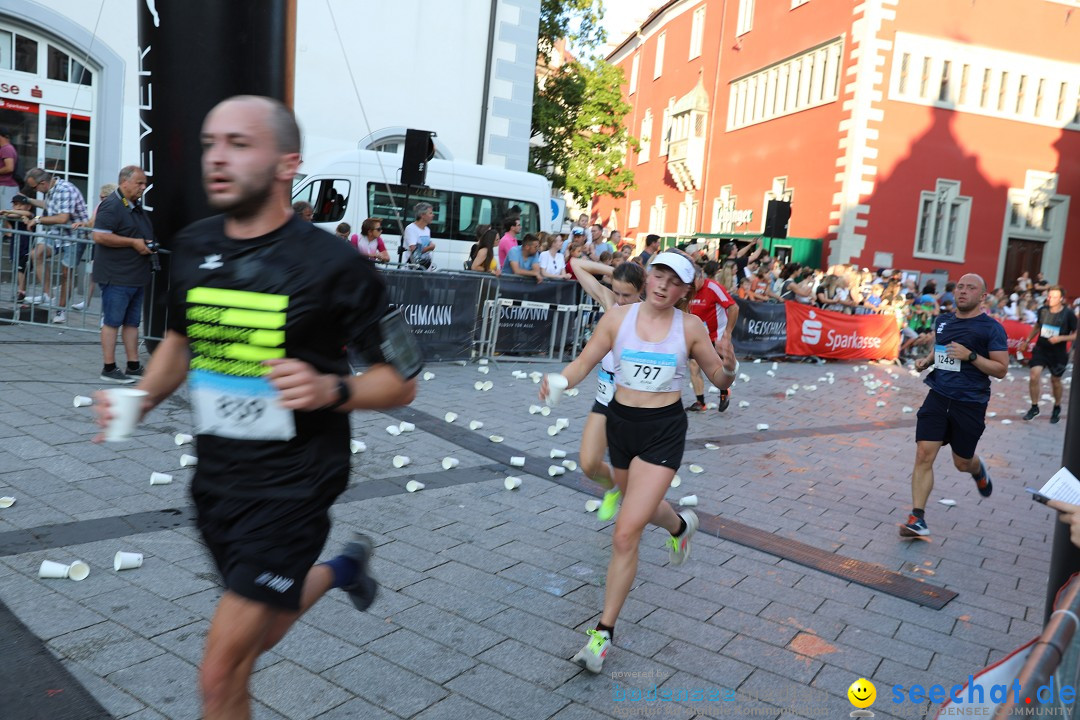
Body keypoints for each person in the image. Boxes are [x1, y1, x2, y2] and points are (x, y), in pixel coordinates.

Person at [95, 95, 416, 719]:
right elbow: (183, 342)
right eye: (212, 143)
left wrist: (333, 389)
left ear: (285, 163)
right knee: (259, 638)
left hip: (294, 489)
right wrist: (140, 398)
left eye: (239, 144)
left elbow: (402, 381)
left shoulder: (336, 267)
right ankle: (343, 569)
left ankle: (330, 565)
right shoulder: (192, 246)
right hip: (217, 485)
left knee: (218, 672)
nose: (217, 157)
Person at [540, 250, 737, 673]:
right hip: (621, 425)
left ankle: (602, 634)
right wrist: (560, 380)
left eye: (675, 281)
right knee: (637, 506)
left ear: (685, 290)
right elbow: (584, 363)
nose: (664, 285)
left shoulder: (690, 327)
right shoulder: (617, 320)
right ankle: (680, 526)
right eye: (659, 275)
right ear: (649, 278)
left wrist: (730, 368)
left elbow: (718, 378)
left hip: (663, 431)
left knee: (625, 532)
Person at [900, 274, 1008, 538]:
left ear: (982, 297)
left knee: (961, 462)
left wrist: (971, 356)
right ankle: (918, 518)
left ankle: (977, 468)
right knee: (924, 455)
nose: (962, 292)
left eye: (971, 288)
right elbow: (942, 350)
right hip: (938, 396)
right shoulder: (943, 321)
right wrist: (927, 361)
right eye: (960, 287)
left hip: (970, 403)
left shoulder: (991, 328)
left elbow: (1001, 369)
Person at [569, 256, 646, 522]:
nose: (621, 300)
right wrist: (616, 272)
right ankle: (612, 487)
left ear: (641, 291)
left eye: (628, 294)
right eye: (617, 292)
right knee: (589, 463)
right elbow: (576, 264)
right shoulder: (610, 302)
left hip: (636, 405)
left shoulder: (651, 315)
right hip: (605, 398)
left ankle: (637, 518)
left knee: (636, 471)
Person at [91, 166, 154, 384]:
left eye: (144, 183)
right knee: (112, 322)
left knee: (132, 323)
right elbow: (99, 236)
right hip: (116, 276)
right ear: (124, 182)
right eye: (139, 183)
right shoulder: (112, 205)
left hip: (135, 275)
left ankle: (133, 365)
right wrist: (134, 243)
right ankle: (108, 368)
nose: (143, 187)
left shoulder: (135, 205)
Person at [23, 168, 90, 323]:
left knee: (66, 273)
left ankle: (61, 310)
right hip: (58, 234)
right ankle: (48, 296)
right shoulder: (52, 190)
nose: (35, 190)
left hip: (75, 236)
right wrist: (28, 200)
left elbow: (61, 218)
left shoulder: (65, 189)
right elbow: (48, 206)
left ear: (43, 183)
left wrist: (38, 219)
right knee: (36, 254)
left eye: (34, 188)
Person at [686, 262, 738, 413]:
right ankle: (700, 402)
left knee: (718, 368)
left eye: (693, 281)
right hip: (697, 335)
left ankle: (724, 392)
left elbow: (734, 307)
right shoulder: (687, 290)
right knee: (694, 366)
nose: (691, 286)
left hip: (717, 334)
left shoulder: (713, 287)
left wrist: (727, 333)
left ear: (701, 276)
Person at [1020, 286, 1076, 424]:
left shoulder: (1068, 314)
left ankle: (1057, 406)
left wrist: (1061, 338)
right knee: (1034, 375)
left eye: (1054, 297)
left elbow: (1076, 334)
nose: (1050, 299)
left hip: (1058, 353)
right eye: (1049, 296)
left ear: (1061, 299)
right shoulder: (1042, 310)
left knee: (1055, 381)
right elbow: (1037, 326)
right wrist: (1027, 341)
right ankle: (1034, 407)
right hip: (1041, 349)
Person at [1, 193, 34, 303]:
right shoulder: (13, 215)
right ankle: (21, 291)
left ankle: (22, 292)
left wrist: (11, 211)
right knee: (18, 269)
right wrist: (14, 213)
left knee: (22, 268)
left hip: (27, 248)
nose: (17, 207)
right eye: (15, 205)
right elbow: (8, 216)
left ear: (28, 206)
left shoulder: (31, 215)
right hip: (15, 247)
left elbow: (28, 214)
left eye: (20, 205)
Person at [404, 201, 436, 268]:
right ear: (422, 215)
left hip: (425, 267)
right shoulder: (411, 229)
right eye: (430, 213)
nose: (433, 215)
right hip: (413, 268)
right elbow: (414, 250)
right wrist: (430, 247)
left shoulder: (427, 230)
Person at [0, 128, 19, 209]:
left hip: (6, 187)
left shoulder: (6, 149)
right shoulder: (7, 148)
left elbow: (9, 168)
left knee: (4, 214)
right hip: (5, 186)